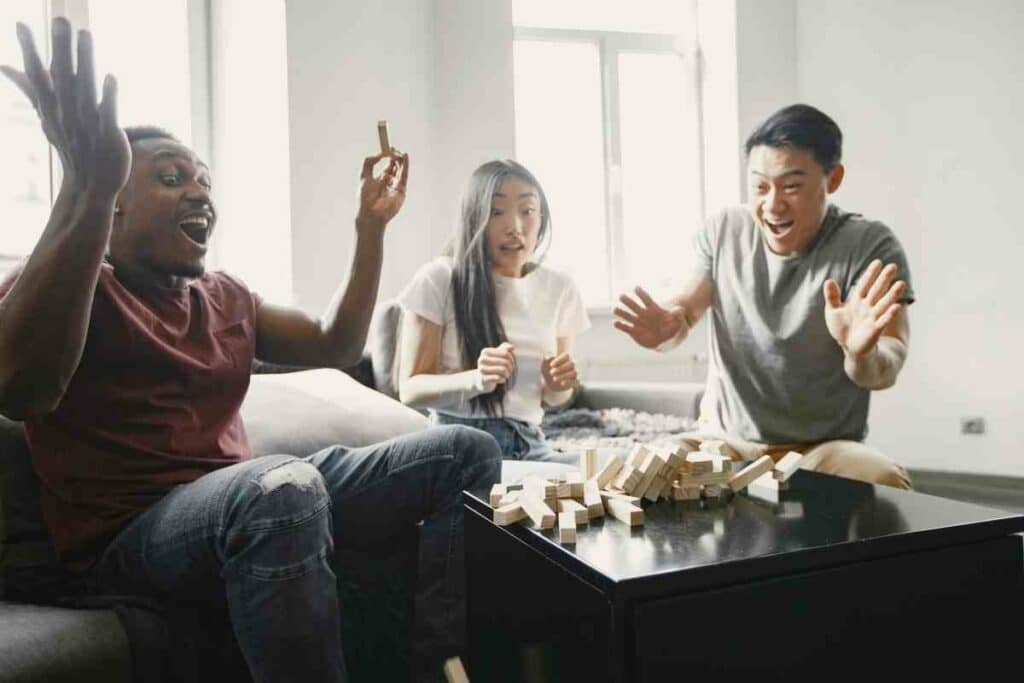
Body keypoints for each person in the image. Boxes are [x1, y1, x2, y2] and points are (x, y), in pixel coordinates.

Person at [0, 18, 501, 681]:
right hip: (131, 538)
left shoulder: (224, 295)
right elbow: (21, 387)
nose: (199, 191)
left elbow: (336, 342)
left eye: (203, 180)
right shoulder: (73, 283)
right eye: (170, 177)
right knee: (280, 486)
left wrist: (369, 226)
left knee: (464, 450)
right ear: (113, 205)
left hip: (245, 499)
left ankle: (438, 663)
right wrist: (87, 188)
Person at [614, 104, 914, 489]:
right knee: (644, 471)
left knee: (882, 477)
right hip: (724, 442)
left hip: (822, 449)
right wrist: (664, 331)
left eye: (791, 186)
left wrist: (860, 354)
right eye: (759, 186)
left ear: (833, 178)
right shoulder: (725, 230)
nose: (772, 205)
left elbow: (887, 363)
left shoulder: (870, 244)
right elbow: (683, 312)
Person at [396, 160, 590, 463]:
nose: (514, 227)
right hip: (457, 447)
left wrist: (557, 386)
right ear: (474, 218)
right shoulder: (439, 277)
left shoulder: (560, 287)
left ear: (542, 219)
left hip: (530, 445)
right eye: (496, 212)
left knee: (612, 476)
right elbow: (410, 389)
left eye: (527, 211)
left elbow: (555, 399)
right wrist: (475, 379)